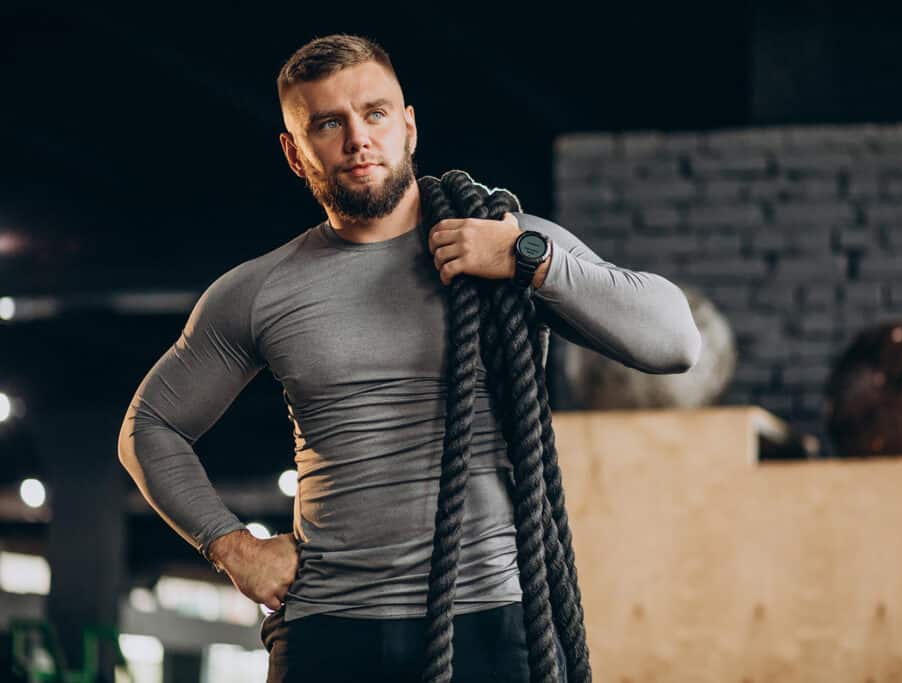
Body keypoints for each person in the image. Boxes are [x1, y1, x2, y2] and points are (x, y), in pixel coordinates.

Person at [117, 33, 702, 682]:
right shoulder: (258, 290)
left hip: (491, 618)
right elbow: (150, 427)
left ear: (408, 126)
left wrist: (527, 262)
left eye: (375, 113)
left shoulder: (505, 243)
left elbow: (675, 339)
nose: (358, 139)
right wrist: (232, 546)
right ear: (293, 151)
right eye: (328, 124)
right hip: (327, 625)